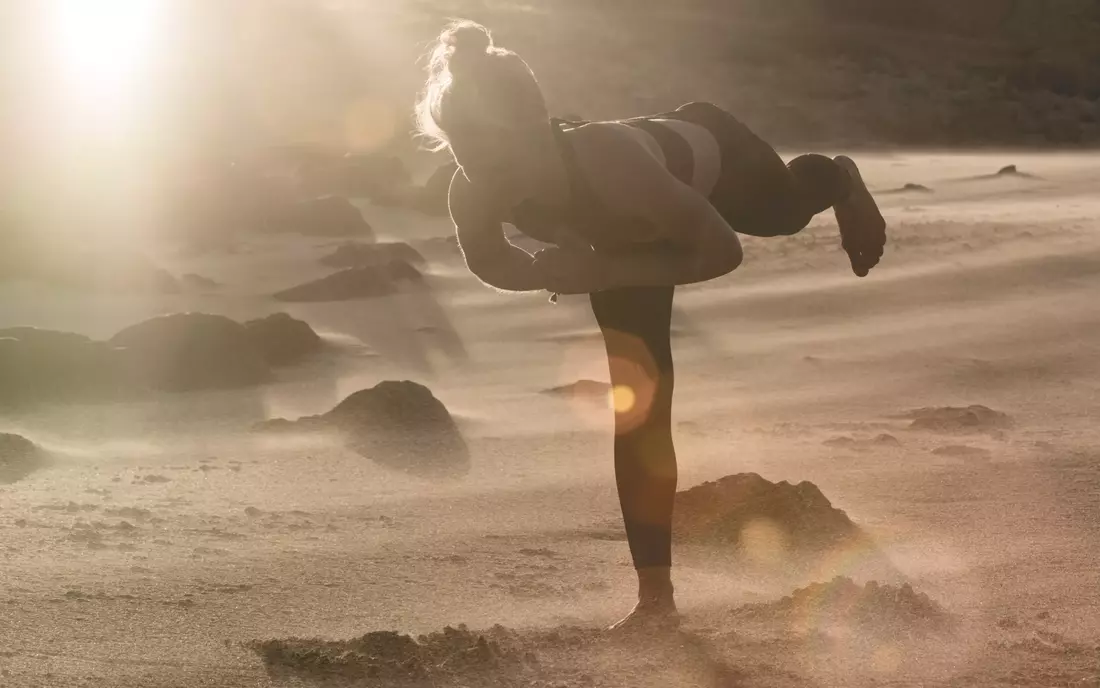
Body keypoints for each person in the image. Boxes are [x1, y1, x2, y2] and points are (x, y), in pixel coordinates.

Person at [415, 20, 886, 632]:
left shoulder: (608, 162)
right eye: (466, 157)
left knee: (785, 214)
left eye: (497, 157)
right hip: (619, 237)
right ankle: (655, 599)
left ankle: (841, 179)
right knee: (638, 406)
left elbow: (722, 252)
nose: (486, 178)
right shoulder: (471, 190)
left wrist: (598, 269)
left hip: (712, 160)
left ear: (538, 123)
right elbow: (491, 262)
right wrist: (555, 272)